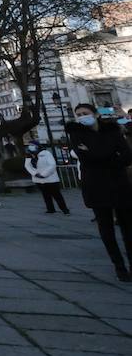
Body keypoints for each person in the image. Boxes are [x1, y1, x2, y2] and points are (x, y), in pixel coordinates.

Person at [66, 104, 132, 281]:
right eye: (78, 114)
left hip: (119, 184)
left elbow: (127, 156)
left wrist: (97, 154)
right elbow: (86, 158)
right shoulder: (76, 134)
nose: (81, 117)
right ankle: (119, 266)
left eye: (85, 113)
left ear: (95, 114)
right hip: (95, 186)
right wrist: (110, 155)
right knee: (106, 229)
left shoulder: (112, 131)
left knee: (128, 227)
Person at [24, 141, 69, 214]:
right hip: (38, 179)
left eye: (32, 145)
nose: (30, 146)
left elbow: (52, 165)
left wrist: (44, 174)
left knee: (57, 195)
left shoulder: (46, 153)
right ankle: (50, 209)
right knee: (46, 195)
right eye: (29, 145)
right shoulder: (29, 155)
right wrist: (35, 173)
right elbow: (27, 166)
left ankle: (64, 209)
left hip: (51, 179)